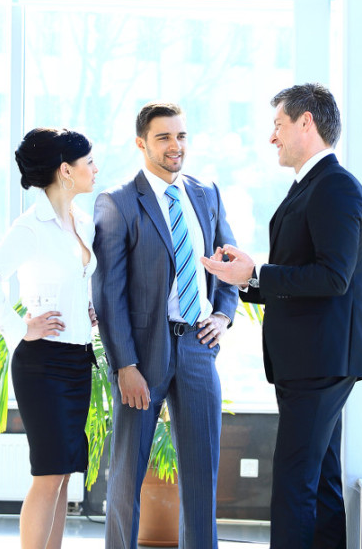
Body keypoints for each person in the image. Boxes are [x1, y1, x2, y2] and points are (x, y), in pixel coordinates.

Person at [201, 83, 362, 549]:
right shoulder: (315, 186)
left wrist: (257, 273)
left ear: (306, 122)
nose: (271, 137)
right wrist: (247, 279)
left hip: (320, 361)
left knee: (295, 484)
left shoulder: (334, 187)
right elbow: (304, 273)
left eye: (278, 125)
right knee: (320, 480)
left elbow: (332, 277)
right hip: (314, 359)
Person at [93, 102, 238, 549]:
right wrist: (124, 365)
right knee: (126, 474)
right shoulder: (118, 202)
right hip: (142, 355)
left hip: (197, 347)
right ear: (141, 143)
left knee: (201, 476)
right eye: (163, 137)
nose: (175, 146)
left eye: (181, 136)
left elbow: (229, 261)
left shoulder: (206, 192)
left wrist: (223, 314)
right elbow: (108, 292)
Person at [0, 128, 99, 549]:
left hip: (78, 360)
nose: (95, 169)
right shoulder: (31, 227)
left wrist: (86, 310)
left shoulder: (82, 222)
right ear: (66, 170)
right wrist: (20, 328)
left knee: (63, 474)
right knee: (48, 474)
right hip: (42, 363)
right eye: (88, 162)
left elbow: (74, 280)